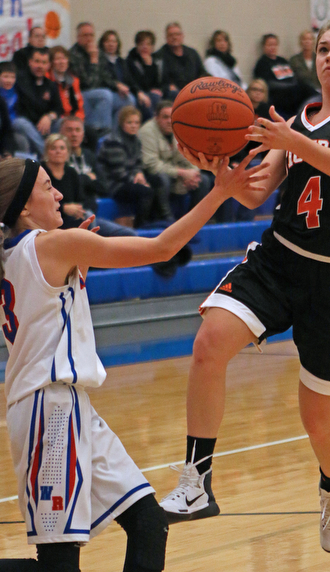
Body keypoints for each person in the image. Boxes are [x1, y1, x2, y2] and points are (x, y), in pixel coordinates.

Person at [159, 19, 330, 556]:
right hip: (281, 259)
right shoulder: (294, 120)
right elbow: (255, 193)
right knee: (208, 344)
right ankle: (197, 482)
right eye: (323, 49)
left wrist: (294, 141)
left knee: (316, 417)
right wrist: (220, 170)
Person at [0, 151, 267, 572]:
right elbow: (163, 248)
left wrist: (78, 262)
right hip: (48, 411)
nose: (60, 193)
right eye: (48, 188)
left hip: (68, 406)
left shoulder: (21, 254)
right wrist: (219, 192)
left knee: (148, 522)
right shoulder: (56, 244)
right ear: (23, 205)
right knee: (58, 566)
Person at [42, 133, 136, 236]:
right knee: (88, 220)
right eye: (53, 148)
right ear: (46, 152)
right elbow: (40, 202)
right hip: (53, 222)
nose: (58, 151)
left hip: (76, 218)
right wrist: (63, 208)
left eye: (62, 148)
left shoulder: (71, 172)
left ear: (68, 152)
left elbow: (82, 198)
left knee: (128, 233)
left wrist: (78, 208)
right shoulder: (41, 173)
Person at [98, 105, 172, 228]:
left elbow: (138, 163)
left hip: (129, 179)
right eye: (129, 122)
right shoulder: (113, 141)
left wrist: (139, 174)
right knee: (146, 191)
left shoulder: (136, 140)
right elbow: (118, 173)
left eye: (137, 122)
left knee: (158, 180)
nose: (134, 125)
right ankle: (141, 224)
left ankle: (165, 217)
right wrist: (138, 181)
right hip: (115, 184)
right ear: (122, 123)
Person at [138, 100, 210, 219]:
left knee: (204, 180)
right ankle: (167, 220)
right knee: (162, 179)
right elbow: (152, 165)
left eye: (172, 117)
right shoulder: (147, 132)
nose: (169, 121)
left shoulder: (180, 127)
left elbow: (191, 156)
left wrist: (193, 174)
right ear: (156, 118)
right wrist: (182, 173)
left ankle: (194, 220)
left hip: (174, 172)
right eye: (165, 117)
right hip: (151, 175)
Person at [68, 22, 125, 133]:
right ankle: (102, 135)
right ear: (78, 37)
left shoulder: (98, 52)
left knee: (127, 99)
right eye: (85, 35)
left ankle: (115, 135)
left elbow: (105, 76)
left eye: (91, 35)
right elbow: (88, 84)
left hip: (100, 92)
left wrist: (117, 85)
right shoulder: (73, 55)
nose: (89, 39)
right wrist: (93, 60)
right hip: (82, 94)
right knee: (105, 95)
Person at [253, 33, 316, 119]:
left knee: (305, 87)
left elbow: (292, 76)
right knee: (305, 88)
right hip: (278, 95)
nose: (273, 47)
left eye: (275, 45)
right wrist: (289, 86)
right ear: (264, 46)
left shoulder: (282, 60)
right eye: (270, 45)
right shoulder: (262, 63)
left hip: (291, 92)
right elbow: (267, 83)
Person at [14, 48, 63, 157]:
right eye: (37, 61)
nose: (40, 66)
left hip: (46, 125)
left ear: (49, 65)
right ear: (30, 62)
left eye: (44, 62)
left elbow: (58, 108)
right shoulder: (19, 80)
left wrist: (49, 117)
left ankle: (64, 154)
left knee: (62, 122)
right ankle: (47, 155)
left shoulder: (51, 85)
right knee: (20, 123)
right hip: (26, 123)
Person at [153, 22, 208, 100]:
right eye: (171, 35)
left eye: (177, 34)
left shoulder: (192, 53)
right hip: (172, 93)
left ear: (182, 36)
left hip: (194, 90)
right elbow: (159, 80)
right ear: (166, 37)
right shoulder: (160, 56)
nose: (174, 37)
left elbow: (202, 72)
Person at [126, 30, 163, 121]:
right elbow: (137, 82)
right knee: (147, 101)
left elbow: (158, 82)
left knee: (156, 96)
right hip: (136, 92)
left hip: (150, 93)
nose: (145, 47)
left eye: (148, 44)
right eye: (142, 44)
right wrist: (147, 66)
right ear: (137, 45)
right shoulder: (131, 60)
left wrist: (150, 66)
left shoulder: (156, 60)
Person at [47, 46, 85, 121]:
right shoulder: (48, 80)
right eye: (57, 59)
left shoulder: (74, 81)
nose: (61, 62)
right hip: (57, 119)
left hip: (73, 119)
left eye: (64, 58)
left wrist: (78, 119)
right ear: (51, 62)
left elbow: (79, 107)